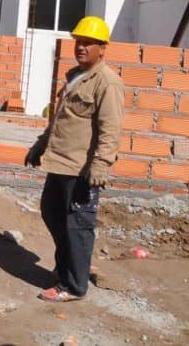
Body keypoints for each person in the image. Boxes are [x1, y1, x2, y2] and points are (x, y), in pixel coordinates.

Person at [24, 15, 123, 302]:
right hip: (60, 163)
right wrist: (40, 146)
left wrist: (101, 165)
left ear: (102, 48)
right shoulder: (74, 77)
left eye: (88, 43)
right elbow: (58, 121)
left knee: (77, 225)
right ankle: (66, 268)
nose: (81, 47)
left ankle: (73, 286)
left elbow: (110, 129)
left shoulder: (107, 83)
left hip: (82, 169)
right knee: (51, 212)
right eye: (78, 42)